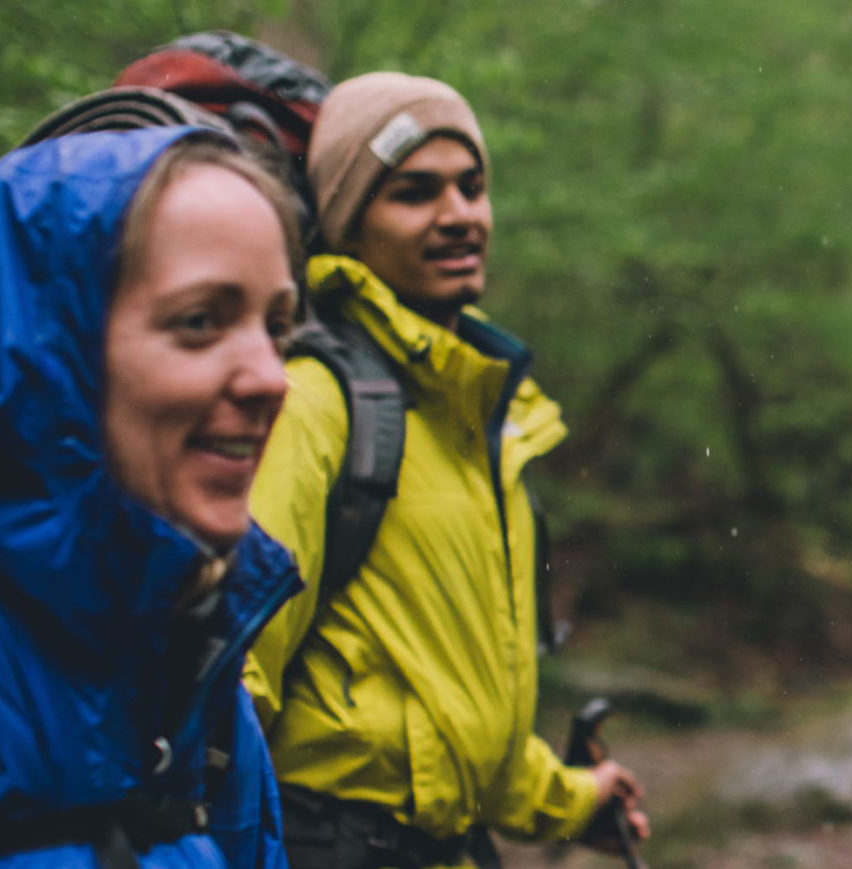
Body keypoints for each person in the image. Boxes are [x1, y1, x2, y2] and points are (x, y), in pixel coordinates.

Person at [239, 72, 645, 868]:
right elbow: (232, 682)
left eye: (472, 186)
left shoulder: (481, 420)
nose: (458, 214)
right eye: (415, 192)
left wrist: (572, 801)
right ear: (349, 224)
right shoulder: (314, 403)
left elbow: (463, 722)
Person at [0, 128, 303, 869]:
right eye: (200, 321)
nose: (272, 377)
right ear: (46, 351)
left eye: (277, 326)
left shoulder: (197, 664)